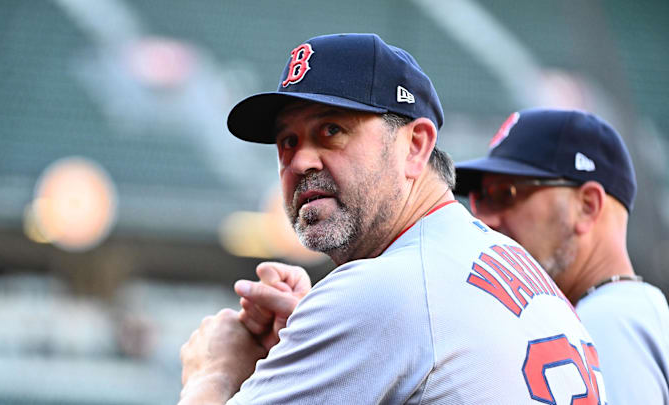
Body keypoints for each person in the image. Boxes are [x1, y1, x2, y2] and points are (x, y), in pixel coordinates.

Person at [178, 33, 605, 404]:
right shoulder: (508, 260)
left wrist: (213, 372)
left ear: (416, 146)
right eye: (287, 141)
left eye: (331, 130)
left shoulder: (381, 291)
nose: (301, 160)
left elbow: (390, 309)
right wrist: (316, 337)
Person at [450, 108, 669, 404]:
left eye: (505, 194)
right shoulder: (627, 309)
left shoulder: (606, 320)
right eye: (480, 198)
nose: (485, 218)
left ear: (587, 206)